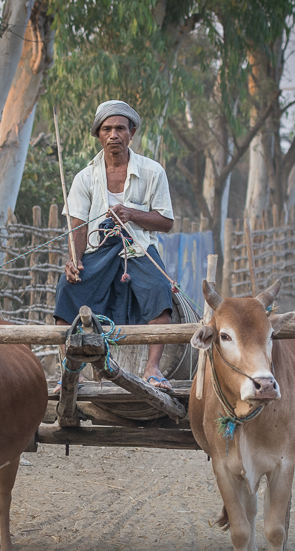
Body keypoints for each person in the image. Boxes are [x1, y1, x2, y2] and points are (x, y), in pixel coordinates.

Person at [54, 100, 176, 389]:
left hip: (139, 247)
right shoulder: (84, 178)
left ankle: (153, 369)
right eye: (106, 129)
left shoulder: (153, 171)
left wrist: (131, 214)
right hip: (99, 249)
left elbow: (166, 222)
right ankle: (72, 374)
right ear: (98, 134)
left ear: (131, 133)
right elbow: (79, 226)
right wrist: (75, 259)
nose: (113, 135)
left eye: (120, 128)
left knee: (159, 289)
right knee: (67, 290)